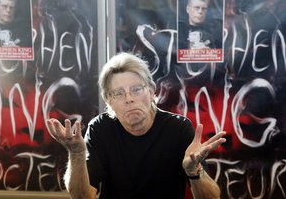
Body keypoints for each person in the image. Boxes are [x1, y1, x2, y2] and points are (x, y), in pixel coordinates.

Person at [46, 52, 226, 199]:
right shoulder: (100, 129)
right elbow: (83, 197)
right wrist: (76, 154)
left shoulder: (178, 129)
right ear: (109, 100)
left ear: (151, 91)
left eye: (136, 90)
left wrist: (194, 171)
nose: (129, 99)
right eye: (119, 93)